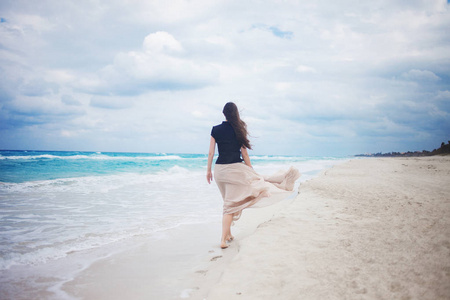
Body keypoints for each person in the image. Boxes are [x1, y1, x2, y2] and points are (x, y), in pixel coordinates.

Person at [207, 102, 301, 249]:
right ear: (236, 113)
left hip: (219, 171)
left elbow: (211, 153)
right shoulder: (239, 129)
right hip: (236, 170)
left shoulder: (215, 130)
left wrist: (208, 171)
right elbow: (244, 153)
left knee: (228, 202)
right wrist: (250, 170)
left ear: (223, 113)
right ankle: (223, 240)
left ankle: (228, 235)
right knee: (229, 205)